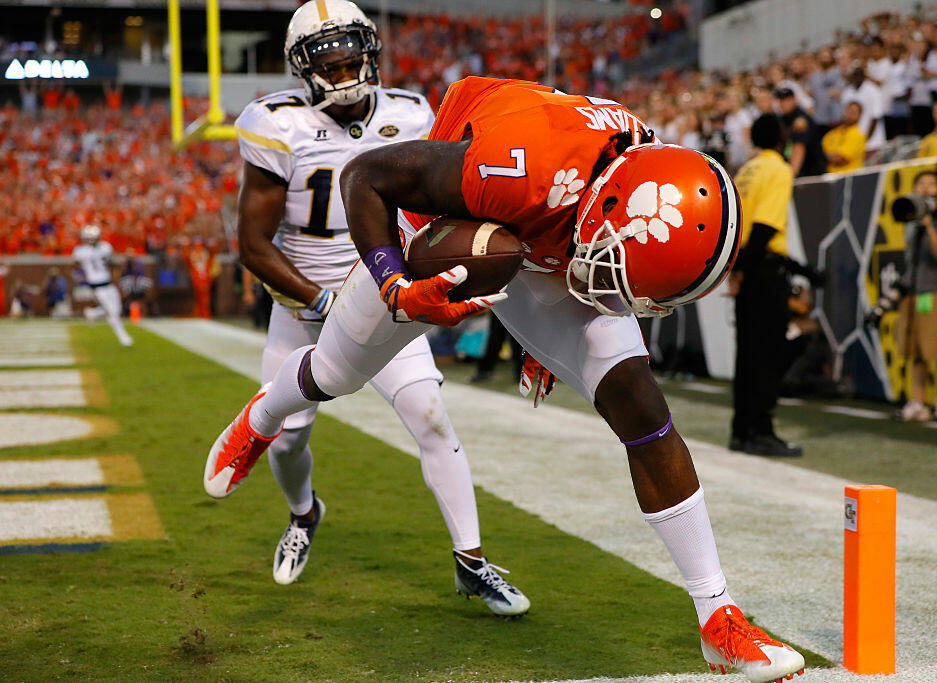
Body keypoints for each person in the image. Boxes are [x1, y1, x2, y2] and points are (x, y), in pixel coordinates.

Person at [206, 75, 806, 681]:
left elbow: (610, 260)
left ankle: (717, 616)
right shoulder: (520, 164)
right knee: (336, 372)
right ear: (610, 211)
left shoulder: (640, 170)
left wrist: (556, 331)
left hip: (552, 231)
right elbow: (365, 176)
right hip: (449, 223)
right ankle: (260, 418)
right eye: (617, 273)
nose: (619, 295)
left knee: (640, 405)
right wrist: (395, 282)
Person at [215, 0, 529, 615]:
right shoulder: (277, 123)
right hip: (304, 300)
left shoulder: (413, 113)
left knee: (431, 417)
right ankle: (305, 515)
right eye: (327, 60)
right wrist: (321, 298)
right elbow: (252, 244)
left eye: (350, 53)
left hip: (388, 294)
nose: (342, 67)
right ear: (302, 67)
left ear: (370, 50)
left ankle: (472, 563)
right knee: (285, 439)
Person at [728, 115, 803, 458]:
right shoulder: (778, 169)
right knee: (767, 355)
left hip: (744, 268)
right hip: (764, 270)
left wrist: (736, 270)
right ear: (781, 138)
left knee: (746, 355)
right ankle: (761, 429)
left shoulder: (745, 171)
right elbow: (765, 228)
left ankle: (741, 430)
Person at [895, 170, 937, 422]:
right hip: (913, 294)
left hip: (936, 293)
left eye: (931, 184)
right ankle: (919, 402)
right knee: (916, 352)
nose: (925, 189)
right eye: (920, 184)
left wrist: (930, 226)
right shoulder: (910, 225)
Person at [72, 224, 133, 347]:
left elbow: (112, 263)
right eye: (89, 238)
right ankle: (123, 337)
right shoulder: (80, 251)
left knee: (117, 310)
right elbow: (75, 266)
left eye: (94, 237)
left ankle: (93, 313)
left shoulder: (105, 247)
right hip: (97, 286)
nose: (92, 240)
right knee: (112, 313)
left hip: (109, 284)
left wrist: (117, 277)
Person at [775, 87, 826, 177]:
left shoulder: (801, 120)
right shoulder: (783, 119)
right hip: (800, 172)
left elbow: (799, 148)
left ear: (794, 100)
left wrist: (790, 177)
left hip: (811, 173)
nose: (782, 104)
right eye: (780, 100)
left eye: (786, 100)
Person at [822, 101, 867, 173]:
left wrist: (826, 157)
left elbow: (840, 160)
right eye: (849, 110)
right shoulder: (833, 133)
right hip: (829, 175)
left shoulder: (857, 135)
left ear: (859, 116)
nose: (851, 114)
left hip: (848, 178)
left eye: (854, 112)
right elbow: (820, 150)